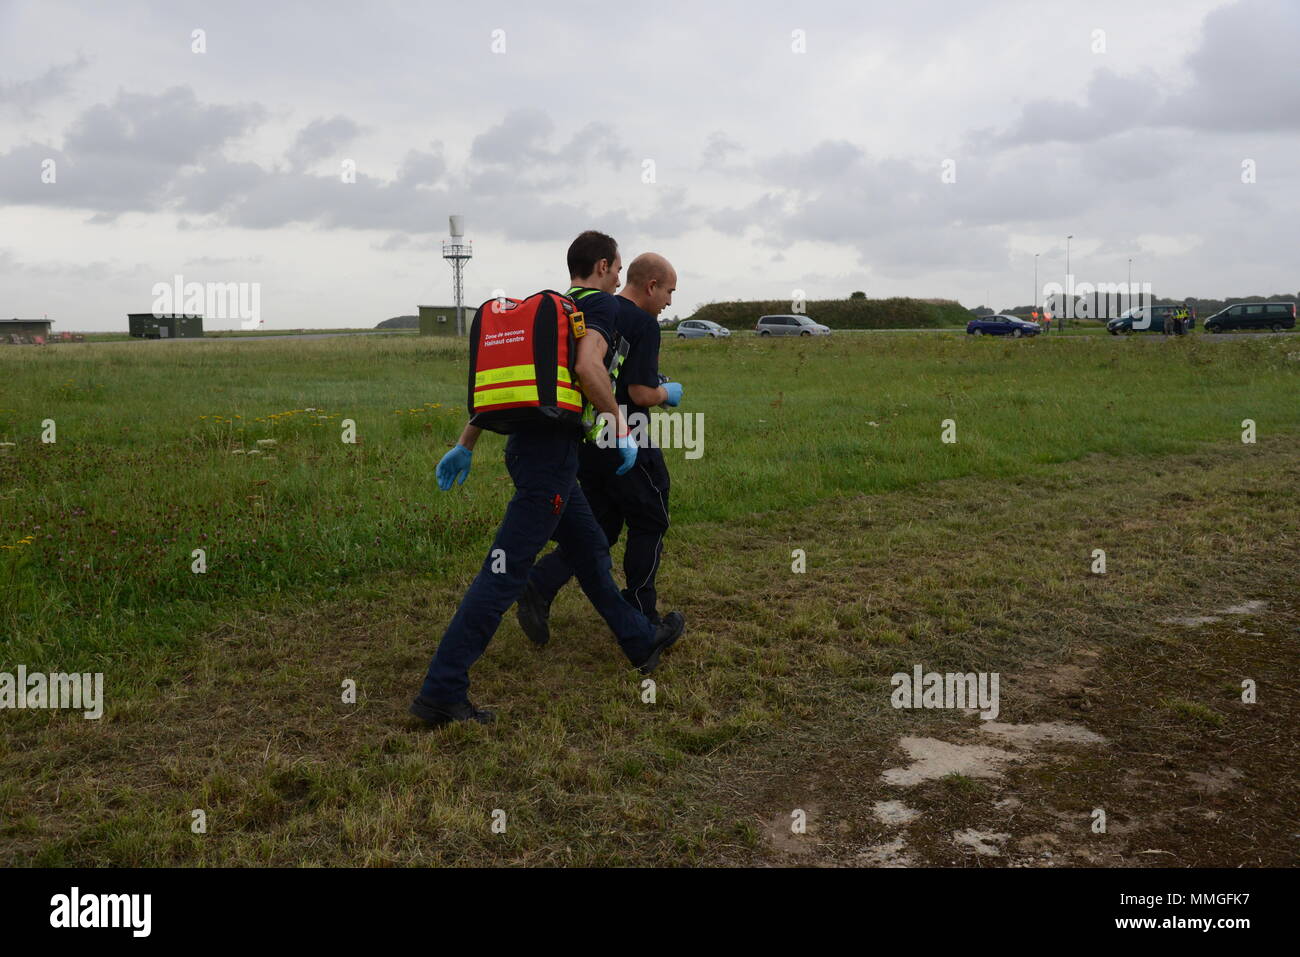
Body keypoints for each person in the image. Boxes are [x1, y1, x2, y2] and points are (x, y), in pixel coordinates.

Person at [409, 231, 686, 727]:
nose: (620, 281)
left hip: (527, 450)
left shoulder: (554, 306)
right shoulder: (600, 308)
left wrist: (466, 443)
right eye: (619, 271)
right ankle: (440, 691)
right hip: (551, 462)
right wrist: (621, 427)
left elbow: (511, 384)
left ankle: (640, 639)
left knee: (592, 551)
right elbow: (587, 367)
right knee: (499, 576)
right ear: (602, 267)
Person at [519, 254, 681, 643]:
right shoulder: (642, 323)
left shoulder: (596, 309)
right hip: (628, 434)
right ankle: (643, 611)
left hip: (588, 437)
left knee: (601, 526)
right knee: (651, 518)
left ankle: (540, 583)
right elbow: (639, 391)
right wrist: (665, 393)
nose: (670, 303)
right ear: (651, 286)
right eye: (670, 292)